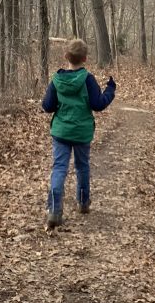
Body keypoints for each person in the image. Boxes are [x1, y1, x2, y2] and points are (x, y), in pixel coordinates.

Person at [42, 38, 116, 229]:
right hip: (82, 132)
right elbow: (98, 104)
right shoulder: (88, 79)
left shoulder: (57, 79)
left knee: (59, 168)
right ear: (84, 58)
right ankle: (83, 203)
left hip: (61, 131)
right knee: (82, 166)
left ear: (66, 56)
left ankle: (54, 211)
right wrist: (110, 90)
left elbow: (47, 106)